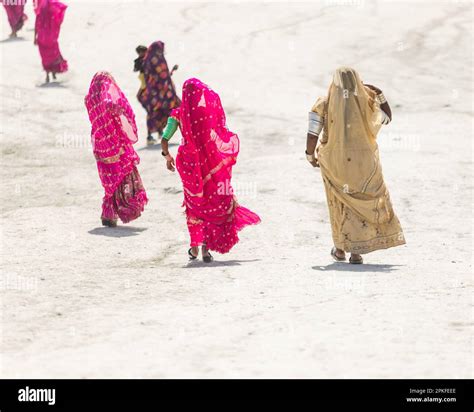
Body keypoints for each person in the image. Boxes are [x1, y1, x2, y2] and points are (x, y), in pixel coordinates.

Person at [305, 67, 405, 264]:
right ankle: (356, 252)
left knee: (340, 203)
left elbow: (312, 133)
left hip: (335, 163)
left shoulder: (324, 103)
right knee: (361, 202)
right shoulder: (366, 103)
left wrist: (310, 155)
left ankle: (341, 248)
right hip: (364, 164)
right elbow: (386, 118)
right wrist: (379, 92)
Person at [160, 78, 261, 262]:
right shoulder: (205, 114)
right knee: (210, 200)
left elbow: (165, 138)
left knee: (194, 203)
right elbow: (218, 135)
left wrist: (167, 157)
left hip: (188, 164)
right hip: (208, 163)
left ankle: (194, 246)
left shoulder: (178, 115)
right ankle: (206, 248)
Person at [84, 72, 148, 227]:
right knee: (124, 173)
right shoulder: (107, 101)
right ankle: (124, 207)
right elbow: (114, 106)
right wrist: (122, 111)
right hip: (115, 141)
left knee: (110, 177)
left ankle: (109, 213)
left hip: (100, 142)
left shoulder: (90, 99)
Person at [137, 41, 180, 146]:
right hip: (162, 93)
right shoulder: (158, 59)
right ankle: (162, 133)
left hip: (150, 93)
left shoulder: (147, 59)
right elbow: (163, 75)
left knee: (153, 112)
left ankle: (151, 135)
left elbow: (152, 76)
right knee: (172, 109)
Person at [34, 0, 68, 83]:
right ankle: (53, 72)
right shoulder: (53, 8)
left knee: (45, 57)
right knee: (53, 54)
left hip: (42, 36)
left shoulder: (41, 10)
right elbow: (59, 18)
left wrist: (34, 37)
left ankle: (47, 74)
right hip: (51, 36)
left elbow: (36, 23)